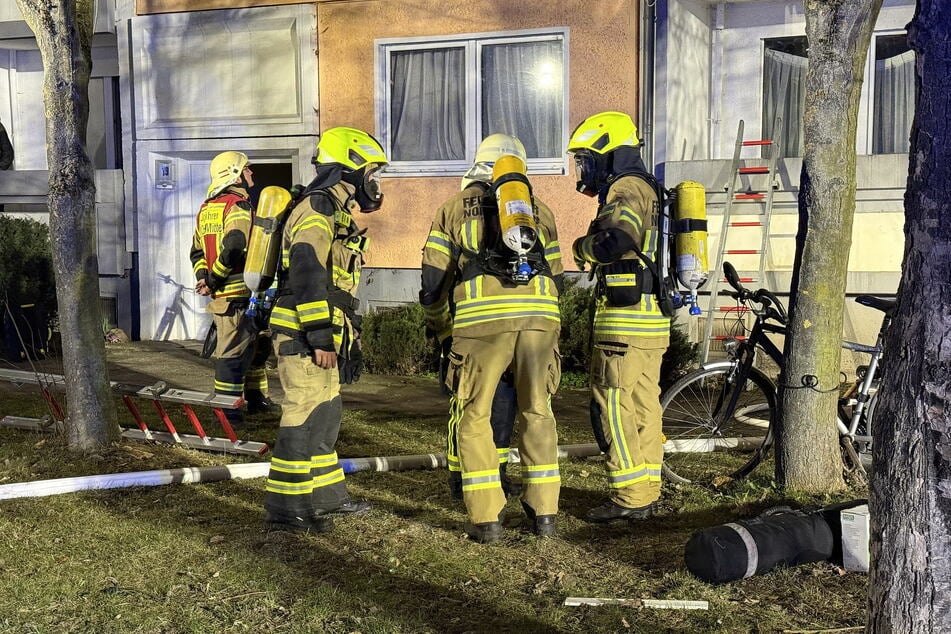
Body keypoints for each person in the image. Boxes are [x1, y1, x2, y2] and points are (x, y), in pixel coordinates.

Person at [421, 133, 564, 542]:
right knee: (538, 412)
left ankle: (487, 519)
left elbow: (433, 279)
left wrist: (441, 327)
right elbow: (555, 274)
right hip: (539, 324)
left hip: (481, 326)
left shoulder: (453, 208)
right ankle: (545, 515)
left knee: (475, 415)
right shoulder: (540, 211)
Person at [262, 126, 387, 533]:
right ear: (347, 169)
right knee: (303, 415)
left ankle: (327, 498)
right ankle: (287, 507)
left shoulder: (333, 211)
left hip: (321, 332)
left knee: (326, 413)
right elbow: (307, 271)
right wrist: (319, 336)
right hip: (302, 334)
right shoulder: (317, 208)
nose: (374, 183)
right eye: (370, 173)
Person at [566, 111, 671, 523]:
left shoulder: (625, 188)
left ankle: (629, 496)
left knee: (612, 407)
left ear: (607, 153)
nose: (582, 168)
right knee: (645, 406)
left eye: (585, 158)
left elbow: (619, 238)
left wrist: (582, 249)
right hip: (651, 320)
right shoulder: (651, 188)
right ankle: (648, 487)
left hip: (623, 324)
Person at [190, 151, 276, 426]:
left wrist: (205, 277)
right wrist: (215, 279)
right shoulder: (237, 205)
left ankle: (256, 398)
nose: (251, 173)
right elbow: (236, 244)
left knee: (257, 349)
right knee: (232, 354)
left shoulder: (207, 208)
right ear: (235, 174)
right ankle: (227, 413)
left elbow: (196, 252)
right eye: (247, 169)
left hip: (235, 295)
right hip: (238, 295)